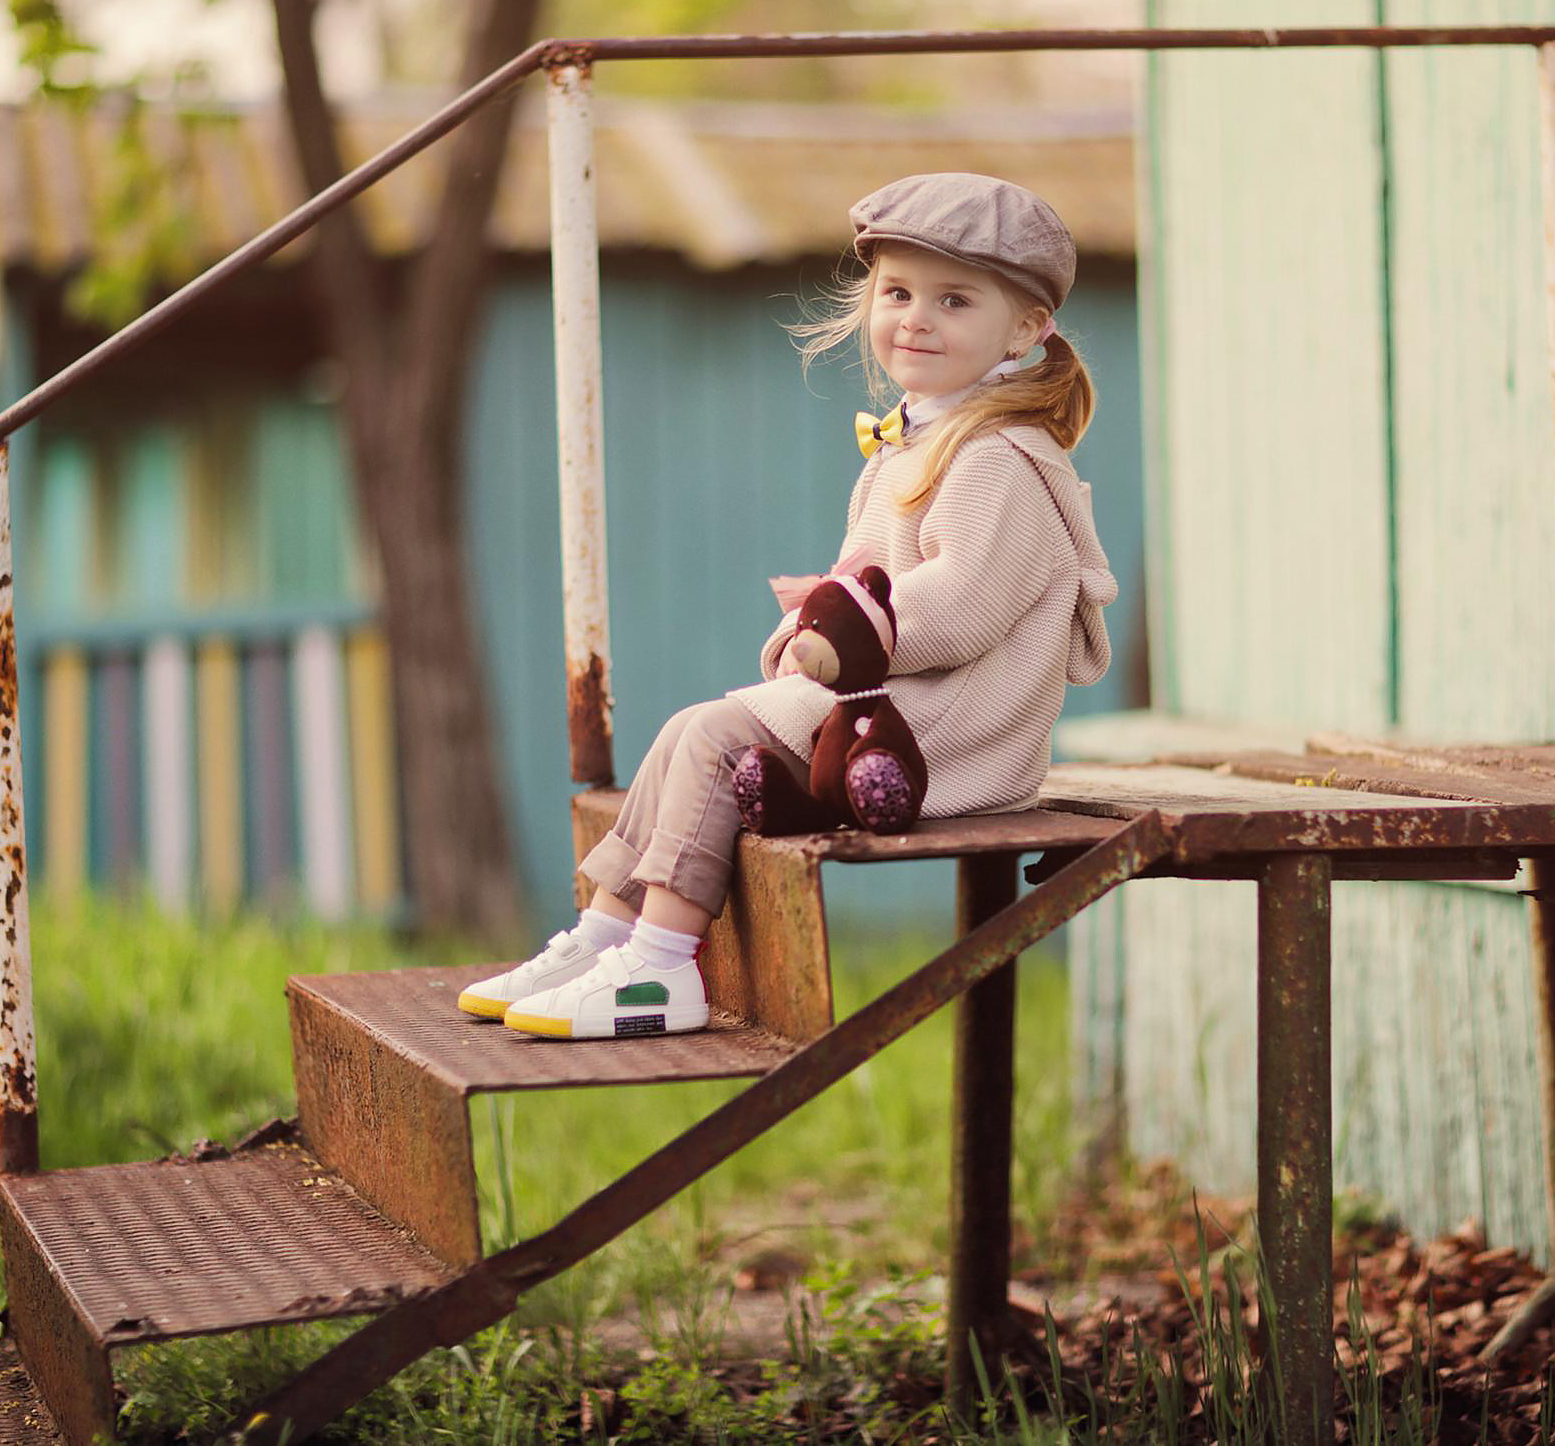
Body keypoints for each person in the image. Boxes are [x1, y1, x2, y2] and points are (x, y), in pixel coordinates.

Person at [459, 171, 1117, 1040]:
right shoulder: (920, 441)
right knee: (688, 730)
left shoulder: (999, 458)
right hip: (892, 702)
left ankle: (659, 970)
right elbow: (859, 580)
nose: (916, 318)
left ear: (1027, 328)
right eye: (898, 292)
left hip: (946, 732)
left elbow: (962, 605)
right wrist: (815, 629)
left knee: (710, 737)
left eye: (954, 301)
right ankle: (603, 935)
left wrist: (836, 637)